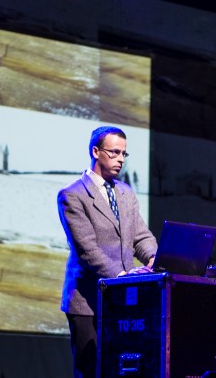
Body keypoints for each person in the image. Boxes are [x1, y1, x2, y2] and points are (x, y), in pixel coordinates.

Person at [57, 126, 157, 378]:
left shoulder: (125, 193)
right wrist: (121, 278)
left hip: (123, 302)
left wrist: (155, 259)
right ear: (95, 151)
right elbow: (87, 250)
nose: (121, 159)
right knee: (91, 371)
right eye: (114, 152)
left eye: (124, 153)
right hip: (87, 302)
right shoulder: (72, 195)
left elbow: (140, 236)